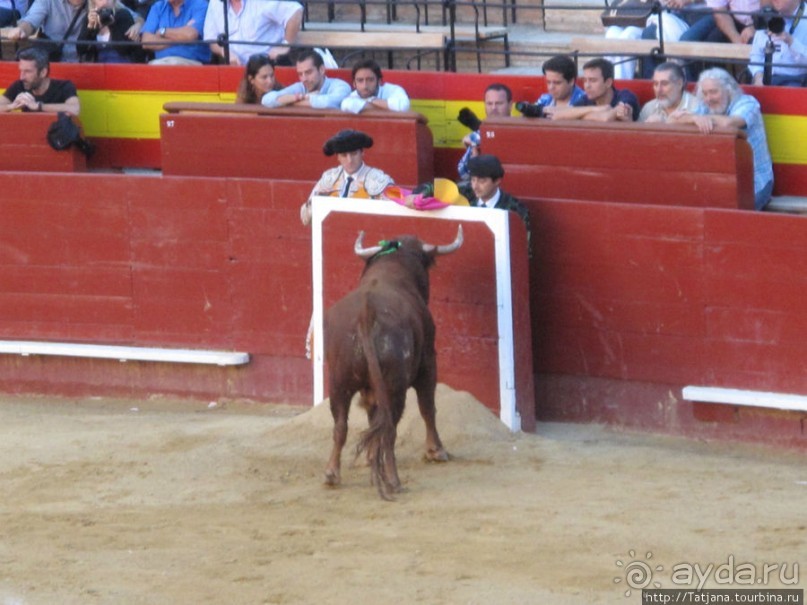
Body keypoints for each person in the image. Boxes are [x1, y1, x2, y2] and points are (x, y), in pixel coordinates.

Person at [669, 68, 773, 210]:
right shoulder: (705, 107)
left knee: (730, 215)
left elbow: (729, 123)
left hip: (755, 181)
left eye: (714, 92)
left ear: (729, 90)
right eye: (704, 94)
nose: (709, 98)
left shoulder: (748, 103)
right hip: (721, 181)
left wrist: (701, 119)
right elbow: (672, 121)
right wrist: (694, 118)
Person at [299, 129, 394, 226]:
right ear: (338, 157)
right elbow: (307, 218)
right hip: (331, 234)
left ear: (362, 153)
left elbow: (400, 200)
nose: (349, 160)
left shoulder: (378, 180)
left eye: (354, 154)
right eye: (344, 155)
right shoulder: (330, 179)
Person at [5, 0, 142, 62]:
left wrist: (137, 26)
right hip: (54, 62)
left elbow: (130, 15)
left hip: (86, 65)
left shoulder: (97, 2)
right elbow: (30, 22)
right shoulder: (48, 2)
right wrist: (21, 30)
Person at [604, 0, 705, 80]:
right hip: (636, 13)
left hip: (671, 14)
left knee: (629, 36)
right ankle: (609, 84)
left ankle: (621, 87)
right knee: (612, 34)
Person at [459, 154, 531, 255]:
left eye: (482, 181)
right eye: (473, 180)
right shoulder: (463, 194)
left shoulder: (517, 210)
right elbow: (432, 188)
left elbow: (523, 252)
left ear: (497, 181)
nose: (475, 186)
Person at [203, 0, 303, 66]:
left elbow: (295, 11)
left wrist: (285, 45)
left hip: (267, 66)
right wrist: (224, 52)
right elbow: (211, 39)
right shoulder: (215, 2)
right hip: (233, 67)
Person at [678, 0, 760, 79]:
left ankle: (754, 86)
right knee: (710, 45)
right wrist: (737, 40)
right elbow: (720, 12)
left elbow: (769, 6)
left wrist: (754, 27)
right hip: (733, 18)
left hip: (762, 21)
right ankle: (712, 85)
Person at [550, 58, 640, 122]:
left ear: (608, 82)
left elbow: (606, 118)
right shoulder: (586, 99)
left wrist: (578, 115)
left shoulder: (625, 96)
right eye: (585, 80)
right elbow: (558, 115)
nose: (587, 86)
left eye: (593, 80)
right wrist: (596, 109)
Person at [457, 82, 513, 182]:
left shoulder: (520, 128)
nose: (493, 108)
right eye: (489, 103)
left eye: (499, 103)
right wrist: (474, 157)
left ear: (510, 105)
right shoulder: (478, 135)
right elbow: (463, 173)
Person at [261, 49, 350, 109]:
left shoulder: (340, 85)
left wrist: (288, 101)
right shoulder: (300, 87)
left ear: (322, 69)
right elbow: (266, 100)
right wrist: (299, 97)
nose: (304, 79)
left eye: (308, 72)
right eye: (300, 74)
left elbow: (328, 103)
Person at [0, 47, 80, 114]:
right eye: (21, 71)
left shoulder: (64, 86)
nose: (22, 77)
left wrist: (38, 106)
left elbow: (74, 109)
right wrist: (12, 106)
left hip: (57, 132)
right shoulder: (19, 85)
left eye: (28, 71)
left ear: (43, 72)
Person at [748, 0, 807, 86]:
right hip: (766, 80)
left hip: (797, 80)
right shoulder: (767, 15)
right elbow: (756, 55)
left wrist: (790, 41)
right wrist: (758, 75)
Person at [140, 0, 209, 65]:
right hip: (160, 62)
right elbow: (146, 41)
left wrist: (163, 31)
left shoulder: (200, 5)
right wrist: (181, 38)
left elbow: (190, 35)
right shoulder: (158, 7)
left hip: (191, 63)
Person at [77, 0, 145, 63]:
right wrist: (90, 28)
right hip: (98, 69)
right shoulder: (90, 18)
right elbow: (80, 50)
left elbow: (123, 50)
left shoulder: (123, 15)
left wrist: (112, 24)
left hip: (122, 66)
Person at [340, 59, 411, 114]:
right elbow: (347, 105)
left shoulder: (393, 90)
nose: (365, 85)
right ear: (354, 84)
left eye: (370, 80)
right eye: (360, 80)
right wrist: (387, 109)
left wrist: (370, 100)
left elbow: (402, 106)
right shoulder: (353, 96)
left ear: (379, 81)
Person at [639, 62, 703, 122]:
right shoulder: (649, 107)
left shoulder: (697, 107)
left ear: (679, 84)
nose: (659, 90)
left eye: (664, 84)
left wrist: (665, 123)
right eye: (656, 84)